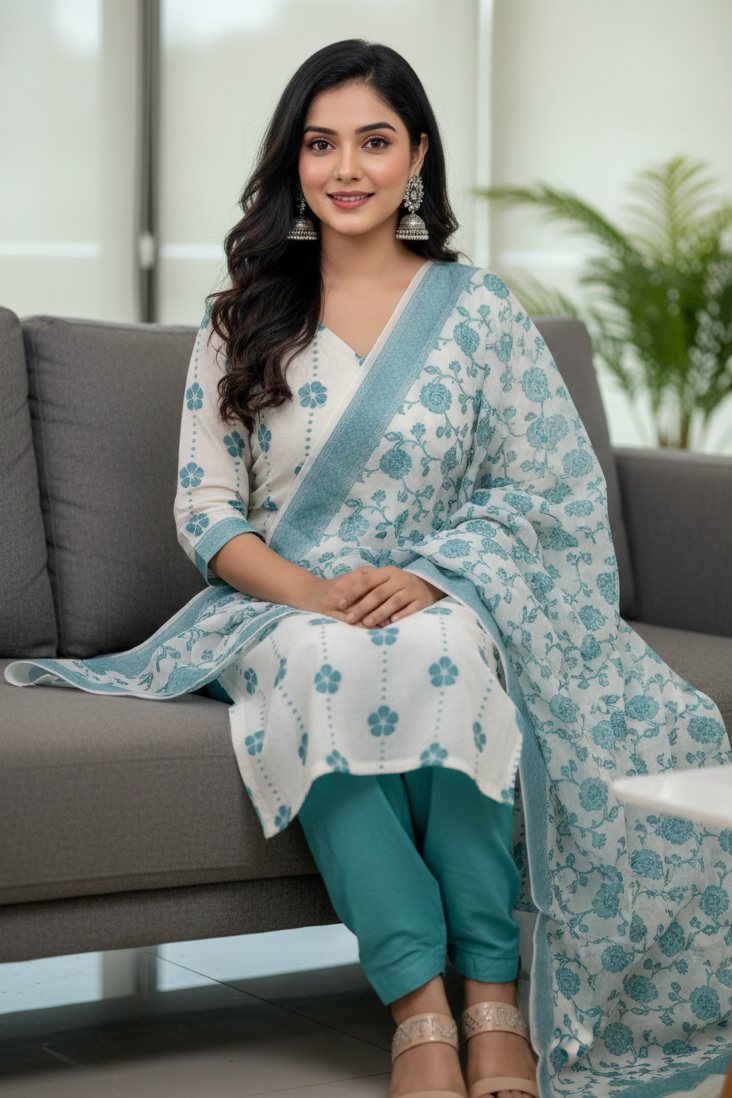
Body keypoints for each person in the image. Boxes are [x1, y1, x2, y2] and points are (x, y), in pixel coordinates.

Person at [7, 38, 731, 1098]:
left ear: (418, 157)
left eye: (374, 141)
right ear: (294, 164)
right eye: (321, 143)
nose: (347, 167)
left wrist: (438, 577)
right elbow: (203, 514)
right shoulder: (241, 319)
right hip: (277, 609)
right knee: (328, 662)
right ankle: (420, 1006)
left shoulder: (477, 313)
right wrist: (314, 595)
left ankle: (494, 995)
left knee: (442, 654)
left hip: (448, 595)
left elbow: (544, 487)